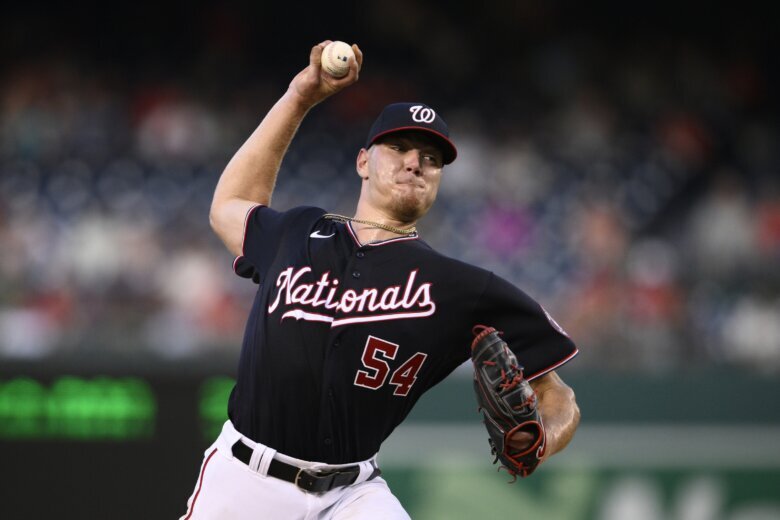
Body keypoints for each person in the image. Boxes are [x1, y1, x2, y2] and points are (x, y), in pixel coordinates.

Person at [180, 40, 580, 519]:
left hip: (353, 494)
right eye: (398, 147)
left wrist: (541, 439)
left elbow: (560, 398)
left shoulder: (460, 288)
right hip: (247, 481)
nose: (415, 162)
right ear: (362, 162)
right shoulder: (298, 232)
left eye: (431, 158)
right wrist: (299, 97)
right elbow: (229, 206)